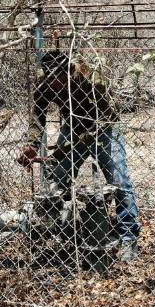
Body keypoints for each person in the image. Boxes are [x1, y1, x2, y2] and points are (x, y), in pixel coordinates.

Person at [17, 49, 140, 261]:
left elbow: (108, 112)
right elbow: (38, 116)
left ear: (69, 71)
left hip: (104, 128)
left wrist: (81, 140)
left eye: (58, 79)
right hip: (73, 127)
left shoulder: (89, 75)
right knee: (57, 178)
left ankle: (128, 237)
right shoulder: (43, 81)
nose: (55, 84)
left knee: (119, 180)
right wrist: (31, 145)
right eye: (50, 79)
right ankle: (56, 230)